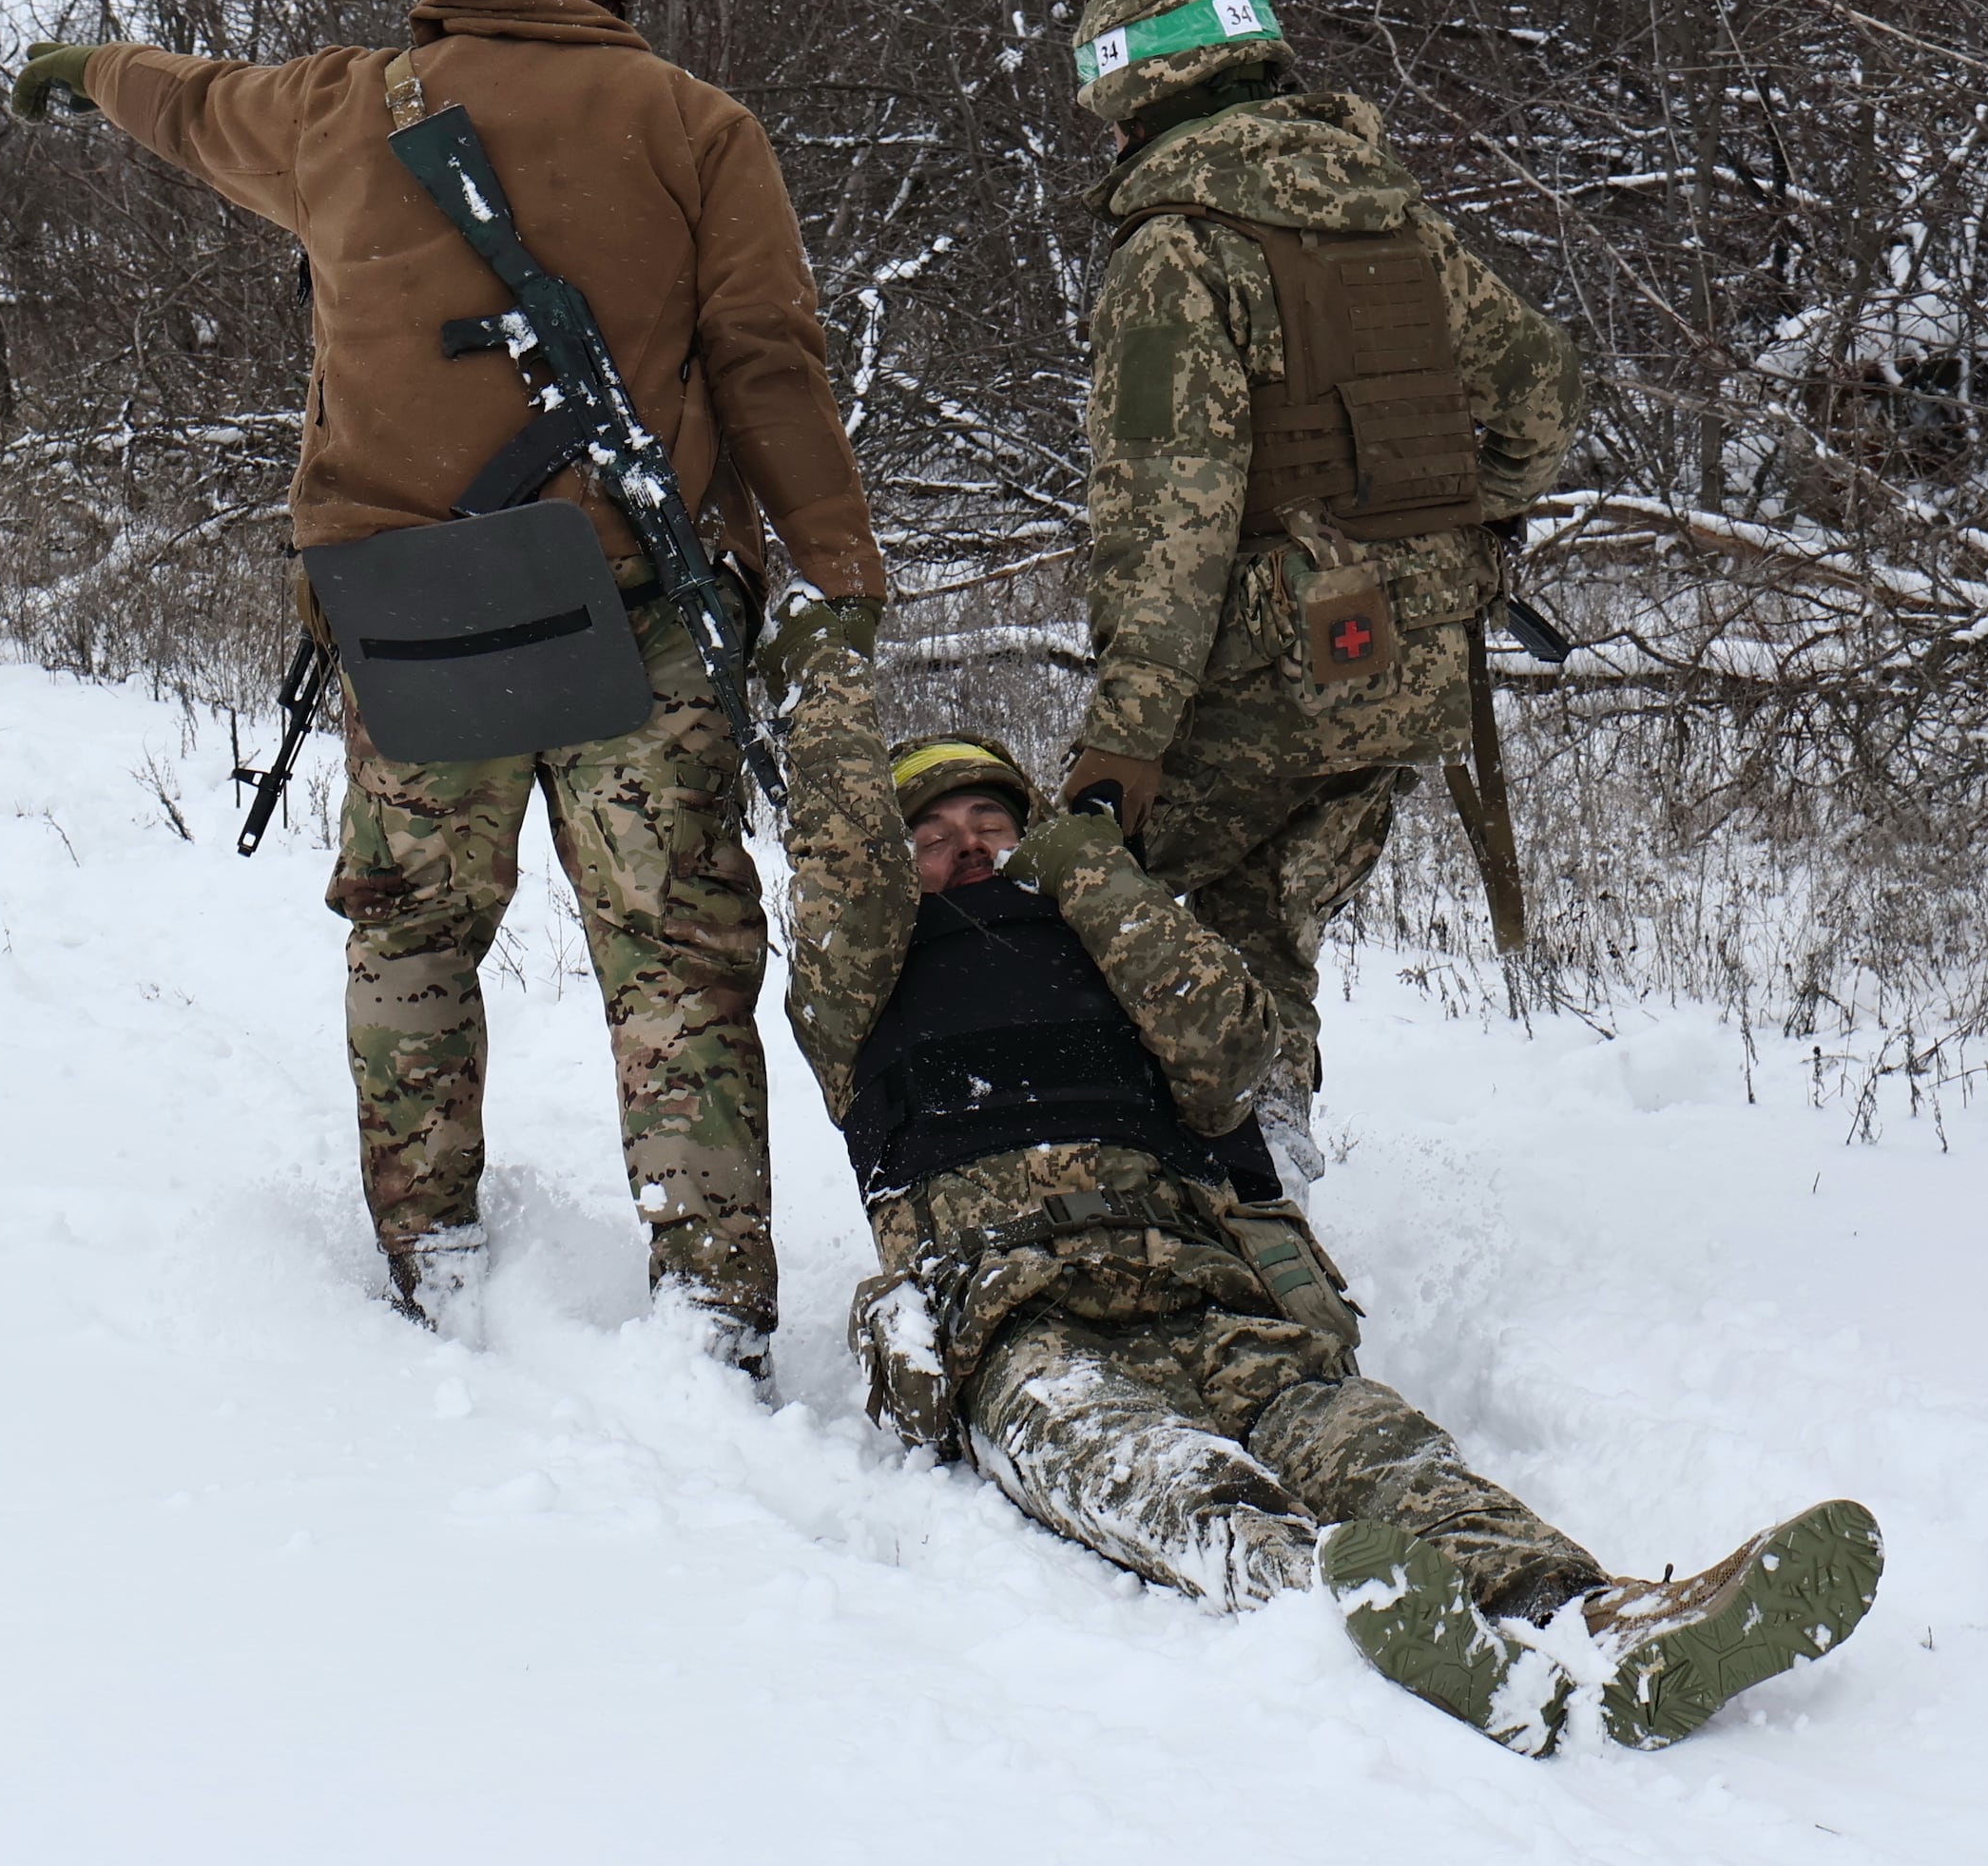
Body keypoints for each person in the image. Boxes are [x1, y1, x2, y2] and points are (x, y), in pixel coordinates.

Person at [8, 0, 889, 1370]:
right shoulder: (697, 126)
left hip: (415, 622)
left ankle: (434, 1254)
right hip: (635, 620)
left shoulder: (340, 109)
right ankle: (711, 1310)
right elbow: (766, 364)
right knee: (673, 956)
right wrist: (836, 574)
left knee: (412, 934)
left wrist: (91, 67)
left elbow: (186, 101)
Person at [755, 601, 1881, 1754]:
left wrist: (1095, 878)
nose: (970, 846)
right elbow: (840, 860)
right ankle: (1362, 1616)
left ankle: (1595, 1620)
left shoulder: (1112, 953)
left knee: (1383, 1454)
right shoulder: (861, 990)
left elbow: (1236, 1050)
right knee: (1170, 1482)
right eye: (932, 836)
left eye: (993, 820)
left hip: (1206, 1289)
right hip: (1016, 1323)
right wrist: (827, 680)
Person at [1051, 0, 1585, 1184]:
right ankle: (1265, 1158)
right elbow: (1543, 397)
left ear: (1138, 96)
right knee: (1266, 917)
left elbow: (1163, 527)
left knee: (1074, 902)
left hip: (1263, 660)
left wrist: (1122, 744)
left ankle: (1098, 1182)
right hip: (1408, 656)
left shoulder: (1175, 250)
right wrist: (1460, 531)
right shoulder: (1398, 220)